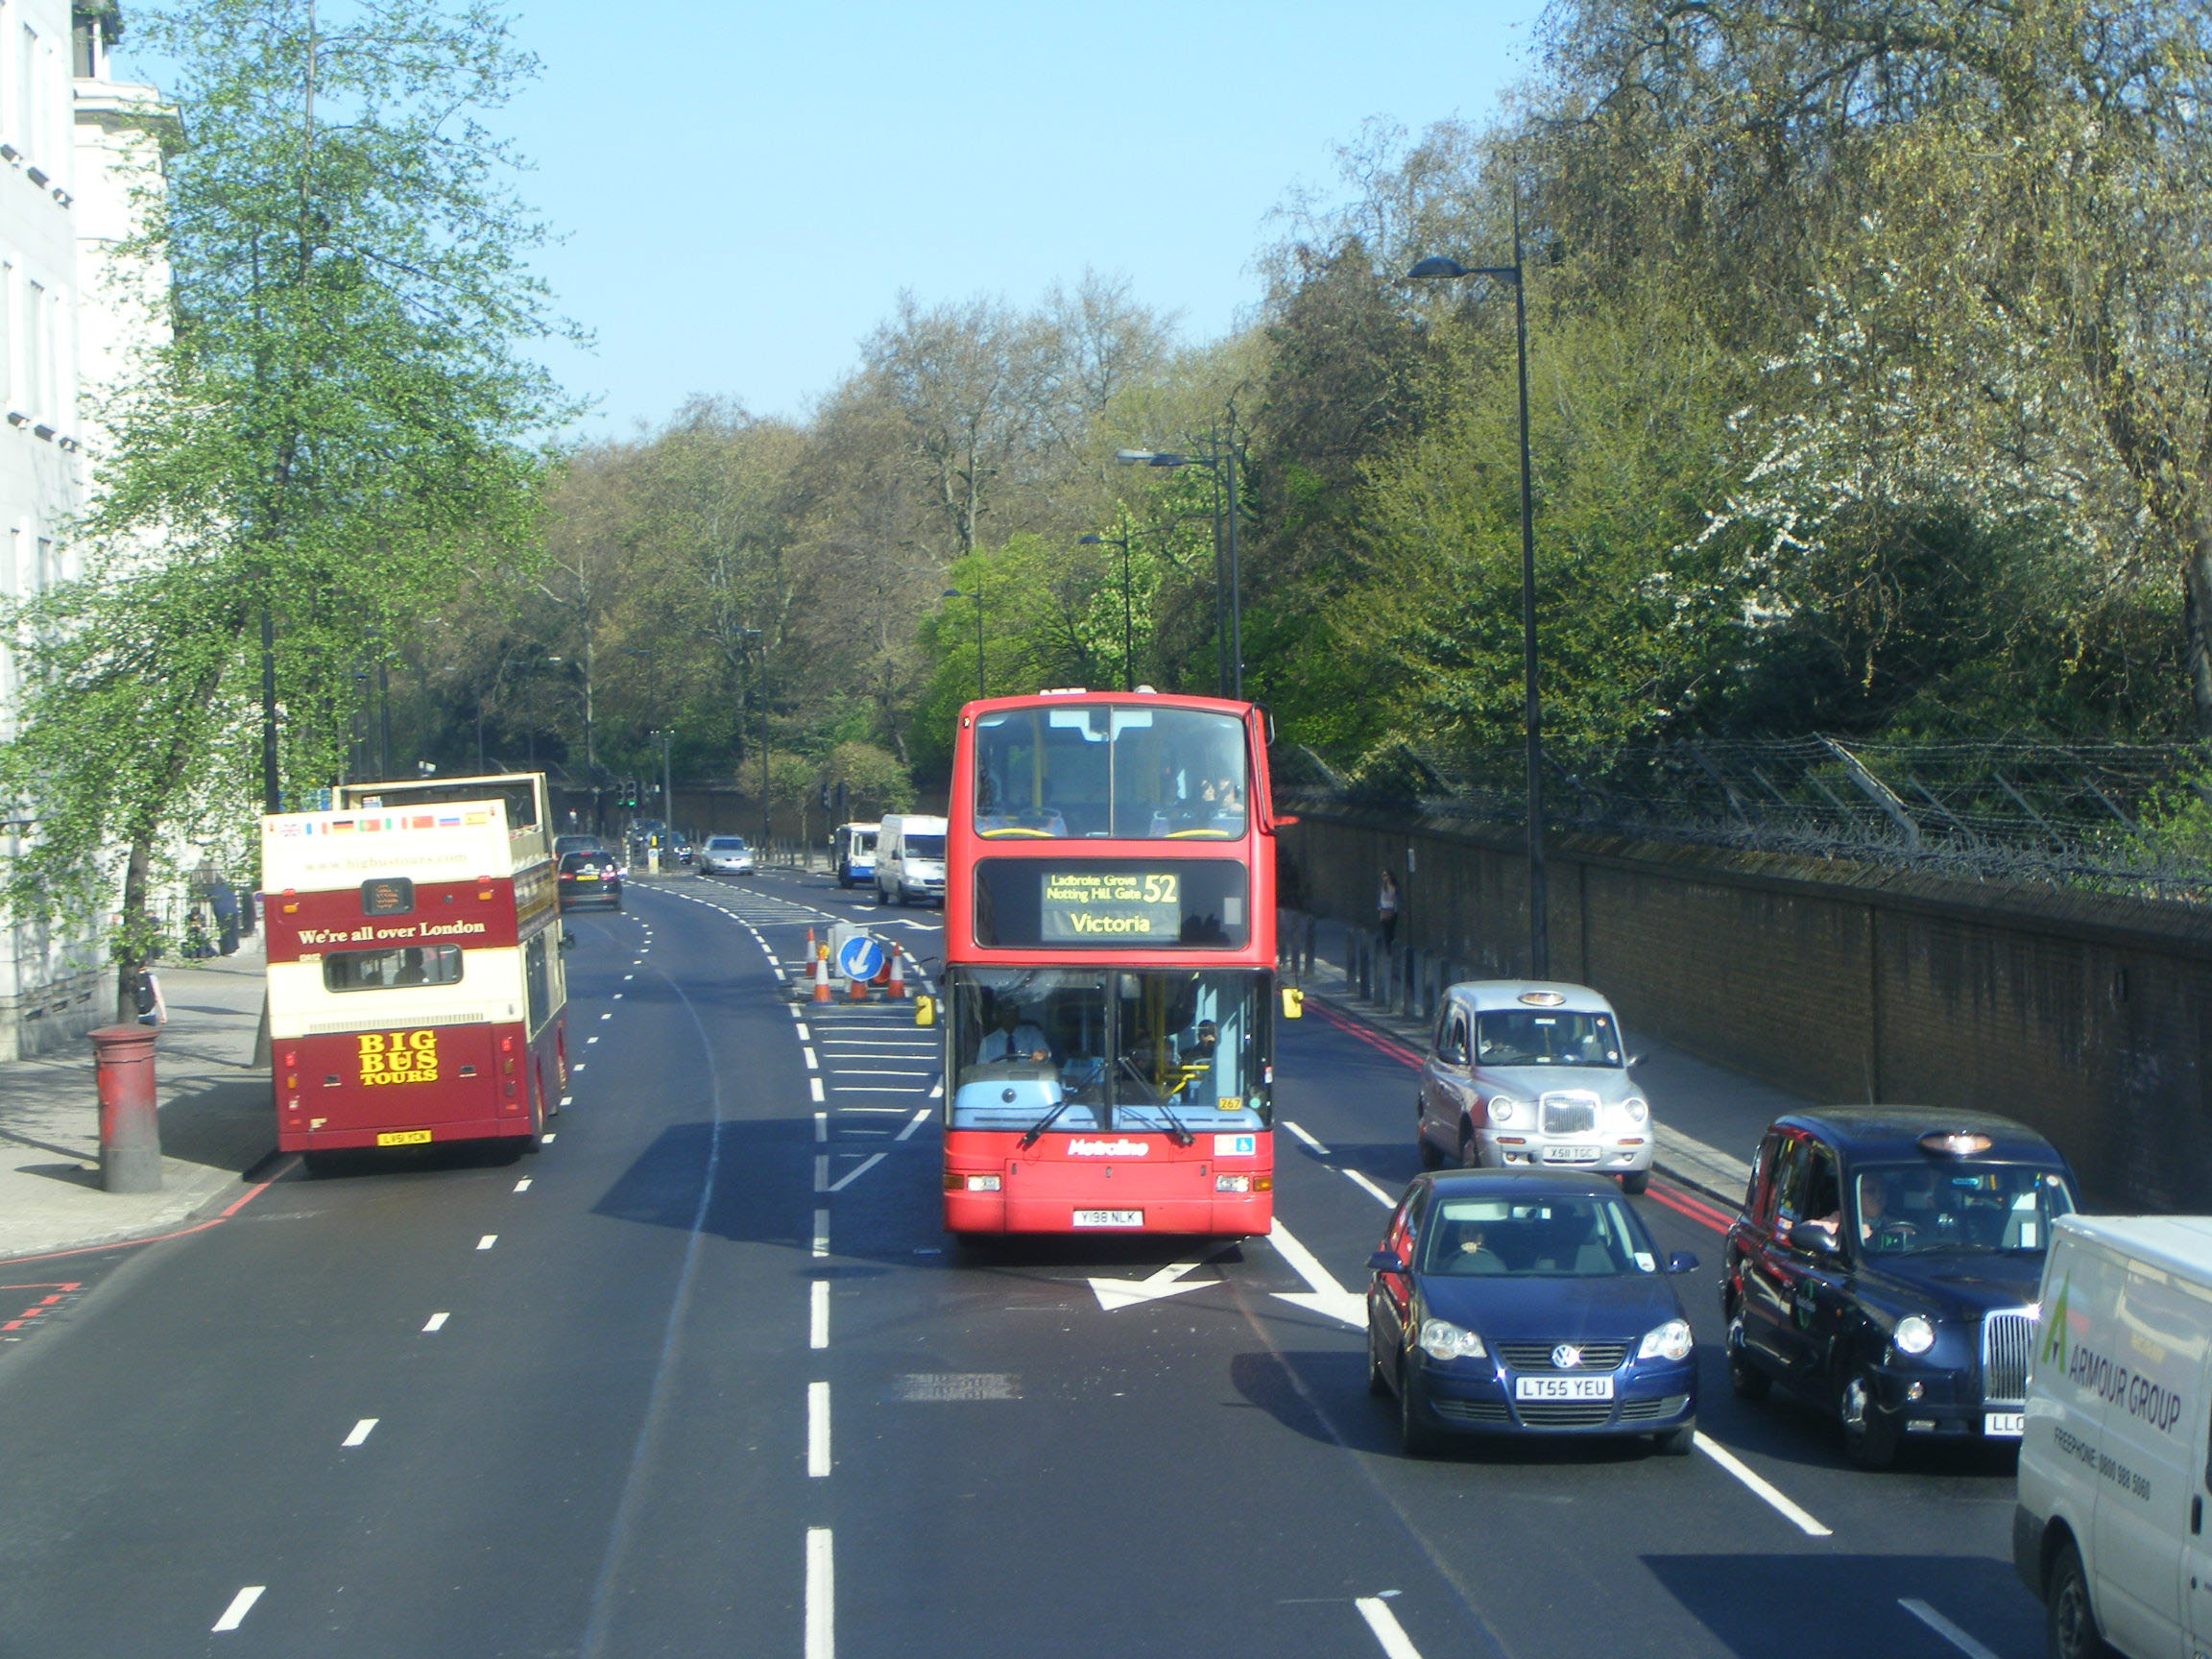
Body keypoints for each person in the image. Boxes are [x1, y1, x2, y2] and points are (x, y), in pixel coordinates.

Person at [975, 1002, 1050, 1065]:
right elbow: (982, 1071)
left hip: (1029, 1077)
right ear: (999, 1016)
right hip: (999, 1078)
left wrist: (1041, 1055)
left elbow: (1044, 1053)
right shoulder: (988, 1042)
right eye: (1007, 1012)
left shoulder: (1032, 1033)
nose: (1011, 1016)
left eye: (1014, 1012)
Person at [1378, 869, 1400, 950]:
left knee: (1391, 930)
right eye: (1383, 876)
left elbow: (1398, 899)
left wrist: (1396, 909)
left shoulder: (1395, 887)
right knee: (1386, 930)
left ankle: (1391, 946)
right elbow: (1380, 897)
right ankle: (1388, 947)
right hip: (1384, 910)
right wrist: (1380, 908)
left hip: (1392, 911)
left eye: (1386, 875)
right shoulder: (1382, 886)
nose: (1384, 878)